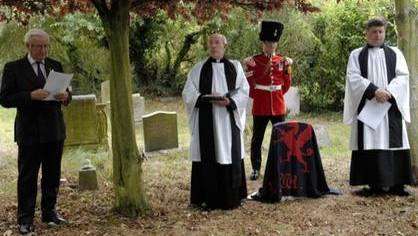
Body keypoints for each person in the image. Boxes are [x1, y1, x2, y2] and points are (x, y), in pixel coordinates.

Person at [0, 28, 71, 234]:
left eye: (46, 46)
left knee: (52, 174)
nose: (43, 50)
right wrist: (30, 96)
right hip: (29, 132)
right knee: (27, 177)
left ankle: (49, 213)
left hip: (54, 130)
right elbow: (4, 99)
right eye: (39, 46)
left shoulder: (55, 65)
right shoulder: (13, 68)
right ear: (28, 46)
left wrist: (66, 97)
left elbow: (68, 94)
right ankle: (25, 219)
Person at [343, 17, 415, 196]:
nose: (377, 35)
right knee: (368, 141)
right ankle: (372, 184)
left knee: (394, 142)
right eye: (374, 32)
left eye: (381, 31)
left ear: (385, 32)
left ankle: (397, 184)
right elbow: (353, 77)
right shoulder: (356, 54)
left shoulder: (396, 53)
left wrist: (389, 92)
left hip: (390, 107)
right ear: (366, 33)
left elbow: (403, 76)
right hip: (368, 106)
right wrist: (374, 91)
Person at [182, 33, 249, 210]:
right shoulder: (198, 69)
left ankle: (231, 198)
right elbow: (188, 92)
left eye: (217, 42)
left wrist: (231, 102)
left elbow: (244, 90)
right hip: (206, 118)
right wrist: (202, 99)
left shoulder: (235, 67)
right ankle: (206, 198)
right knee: (208, 154)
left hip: (227, 120)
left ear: (224, 45)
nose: (213, 45)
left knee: (227, 153)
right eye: (211, 42)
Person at [244, 20, 292, 180]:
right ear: (263, 43)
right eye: (268, 43)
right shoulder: (254, 61)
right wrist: (260, 94)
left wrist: (276, 93)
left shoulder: (282, 61)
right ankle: (256, 168)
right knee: (257, 139)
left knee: (283, 138)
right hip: (261, 105)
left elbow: (286, 84)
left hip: (278, 105)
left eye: (273, 43)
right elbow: (250, 85)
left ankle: (282, 166)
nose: (271, 45)